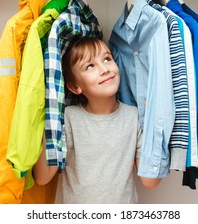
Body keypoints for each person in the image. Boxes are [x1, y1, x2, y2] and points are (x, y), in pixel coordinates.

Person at [33, 37, 161, 204]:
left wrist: (156, 120)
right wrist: (50, 117)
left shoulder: (134, 117)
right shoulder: (68, 119)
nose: (104, 69)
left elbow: (150, 181)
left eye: (107, 59)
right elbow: (42, 178)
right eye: (90, 66)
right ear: (75, 87)